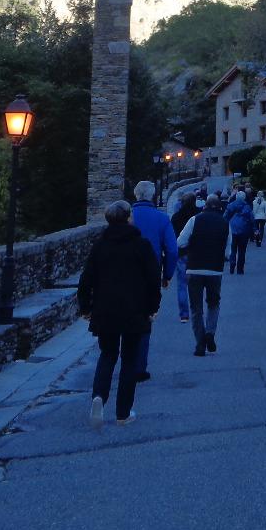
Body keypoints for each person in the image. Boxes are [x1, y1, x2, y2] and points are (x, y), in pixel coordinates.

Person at [77, 201, 160, 428]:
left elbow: (86, 280)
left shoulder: (100, 245)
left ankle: (99, 397)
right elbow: (153, 279)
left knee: (107, 354)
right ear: (128, 217)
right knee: (130, 359)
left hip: (106, 310)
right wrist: (153, 307)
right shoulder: (141, 245)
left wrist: (85, 307)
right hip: (135, 310)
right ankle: (123, 413)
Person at [129, 181, 178, 382]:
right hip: (150, 276)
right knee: (145, 318)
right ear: (152, 195)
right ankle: (139, 367)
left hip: (122, 274)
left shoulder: (126, 216)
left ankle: (125, 362)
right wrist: (167, 275)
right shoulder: (161, 218)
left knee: (123, 317)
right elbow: (172, 250)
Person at [177, 195, 229, 356]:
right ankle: (210, 333)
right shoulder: (224, 223)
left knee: (196, 308)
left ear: (204, 206)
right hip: (214, 270)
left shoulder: (194, 220)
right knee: (213, 303)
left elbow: (180, 242)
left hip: (194, 268)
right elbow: (229, 251)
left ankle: (200, 343)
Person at [169, 192, 197, 323]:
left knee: (181, 285)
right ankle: (197, 311)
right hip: (196, 254)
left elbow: (172, 237)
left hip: (181, 253)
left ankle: (184, 315)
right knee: (196, 284)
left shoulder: (176, 217)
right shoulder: (198, 216)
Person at [225, 190, 253, 274]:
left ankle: (232, 264)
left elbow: (225, 217)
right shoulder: (247, 207)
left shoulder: (230, 205)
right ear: (244, 198)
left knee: (233, 249)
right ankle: (240, 269)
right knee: (242, 250)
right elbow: (251, 219)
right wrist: (254, 229)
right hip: (244, 230)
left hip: (232, 230)